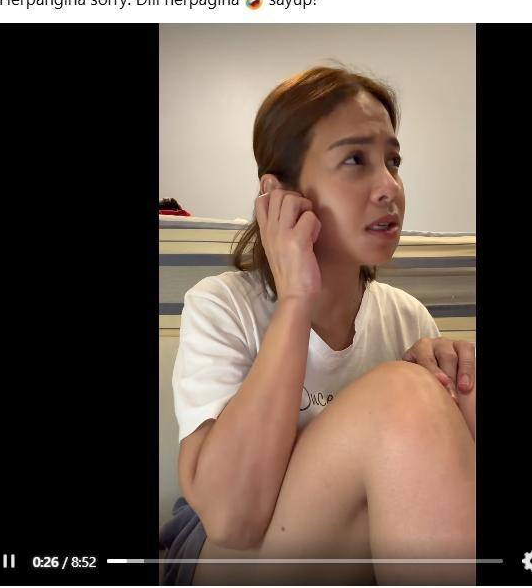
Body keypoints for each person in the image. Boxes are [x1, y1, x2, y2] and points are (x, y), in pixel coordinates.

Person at [172, 66, 476, 585]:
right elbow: (230, 519)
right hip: (222, 555)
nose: (389, 188)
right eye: (355, 160)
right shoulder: (221, 305)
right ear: (278, 193)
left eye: (393, 161)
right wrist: (296, 298)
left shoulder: (407, 317)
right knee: (403, 391)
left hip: (345, 550)